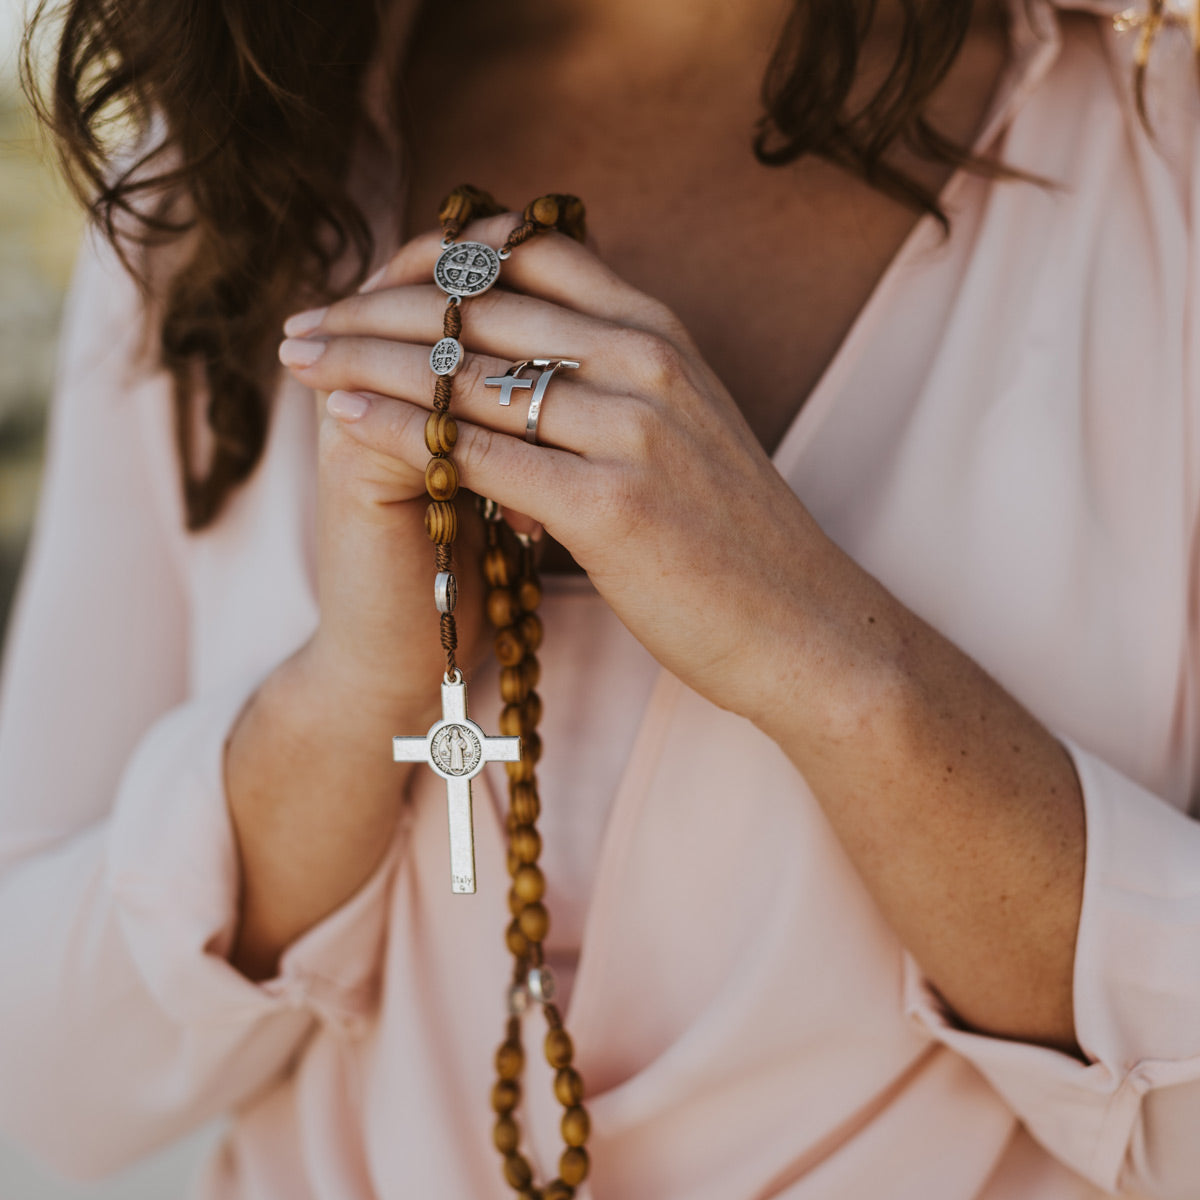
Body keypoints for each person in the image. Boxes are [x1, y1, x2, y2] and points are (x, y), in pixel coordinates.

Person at [2, 0, 1199, 1195]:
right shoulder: (222, 161)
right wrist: (349, 700)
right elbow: (40, 1074)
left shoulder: (1162, 153)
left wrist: (839, 670)